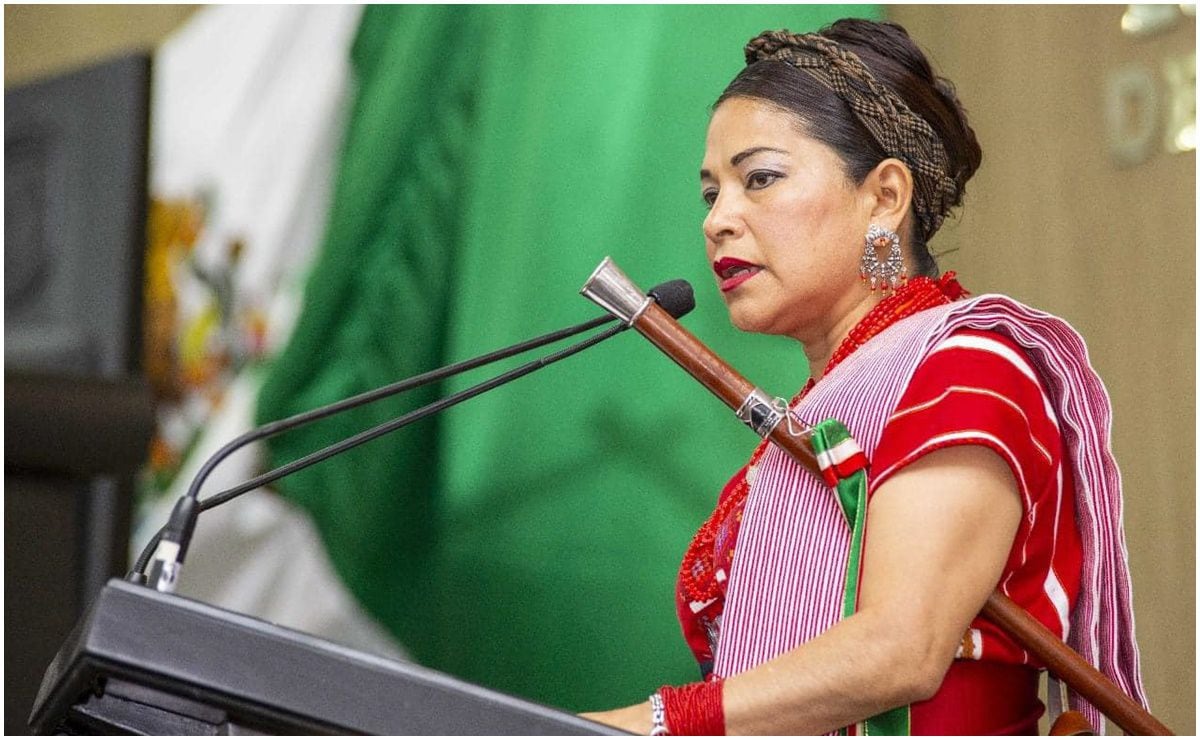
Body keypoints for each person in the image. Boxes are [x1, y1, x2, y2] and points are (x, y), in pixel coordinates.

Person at [582, 19, 1147, 735]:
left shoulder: (968, 371)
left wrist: (650, 724)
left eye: (760, 179)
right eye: (710, 193)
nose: (719, 220)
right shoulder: (828, 401)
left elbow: (899, 652)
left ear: (884, 198)